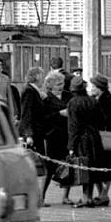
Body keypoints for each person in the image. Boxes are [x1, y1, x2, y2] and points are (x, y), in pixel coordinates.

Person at [65, 76, 102, 208]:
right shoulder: (93, 101)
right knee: (92, 167)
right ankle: (89, 196)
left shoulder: (73, 103)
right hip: (94, 138)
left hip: (81, 140)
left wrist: (71, 146)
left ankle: (86, 198)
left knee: (83, 168)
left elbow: (73, 127)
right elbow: (101, 120)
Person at [89, 74, 111, 206]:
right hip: (108, 137)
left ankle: (103, 194)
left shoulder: (104, 101)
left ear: (99, 88)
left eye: (93, 86)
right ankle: (103, 193)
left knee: (104, 167)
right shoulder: (106, 99)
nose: (91, 89)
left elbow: (101, 119)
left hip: (105, 138)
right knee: (104, 167)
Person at [41, 71, 72, 205]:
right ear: (50, 86)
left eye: (63, 83)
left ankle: (65, 196)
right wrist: (59, 113)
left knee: (68, 165)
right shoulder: (46, 100)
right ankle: (42, 197)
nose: (61, 86)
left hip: (67, 134)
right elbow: (44, 118)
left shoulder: (68, 96)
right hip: (53, 136)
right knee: (50, 167)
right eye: (58, 84)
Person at [18, 67, 47, 200]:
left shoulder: (35, 91)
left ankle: (37, 196)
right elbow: (26, 114)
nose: (44, 79)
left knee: (38, 165)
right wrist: (28, 134)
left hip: (37, 133)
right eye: (42, 76)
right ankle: (35, 196)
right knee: (35, 165)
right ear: (36, 77)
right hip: (33, 134)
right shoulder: (29, 91)